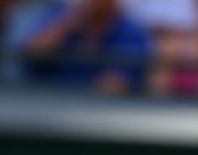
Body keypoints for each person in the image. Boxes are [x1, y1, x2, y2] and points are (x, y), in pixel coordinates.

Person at [20, 0, 154, 93]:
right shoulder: (59, 16)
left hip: (98, 115)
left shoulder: (131, 32)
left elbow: (114, 85)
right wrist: (66, 25)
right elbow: (31, 53)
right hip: (42, 104)